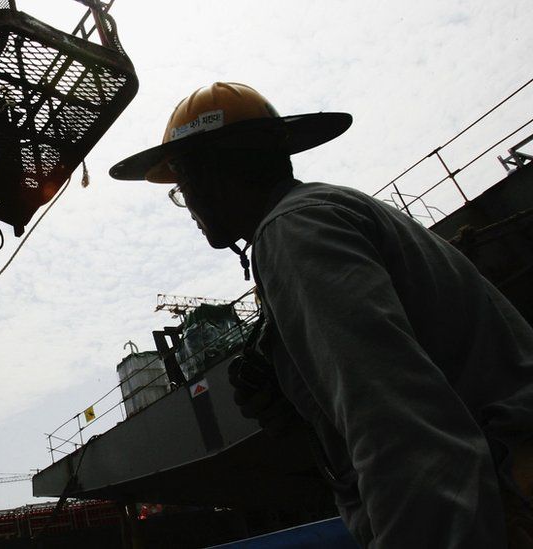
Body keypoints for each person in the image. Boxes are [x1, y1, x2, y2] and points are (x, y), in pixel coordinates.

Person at [109, 82, 533, 547]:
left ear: (215, 171)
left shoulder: (292, 231)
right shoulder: (326, 211)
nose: (186, 204)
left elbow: (397, 428)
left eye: (183, 184)